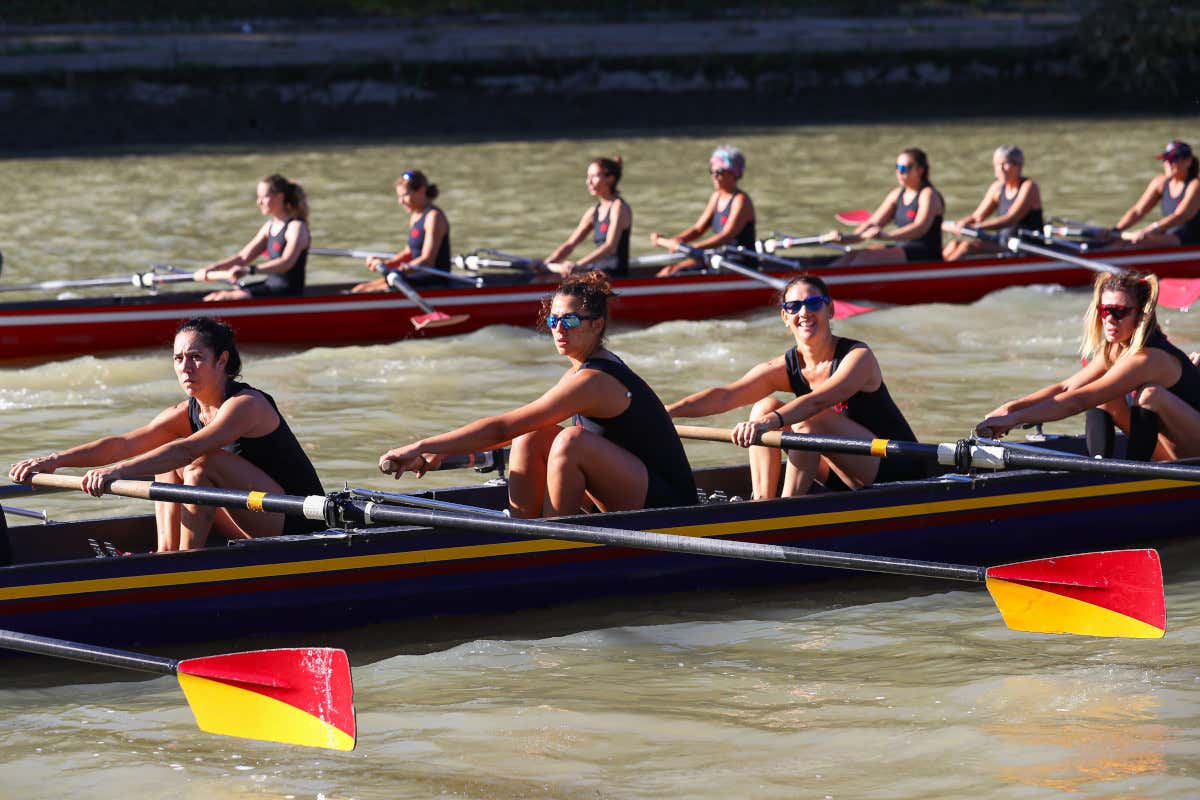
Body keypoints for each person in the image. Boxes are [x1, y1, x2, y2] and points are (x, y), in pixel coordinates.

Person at [377, 272, 697, 517]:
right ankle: (525, 535)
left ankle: (553, 544)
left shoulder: (593, 381)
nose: (559, 329)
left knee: (572, 442)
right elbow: (515, 430)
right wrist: (447, 452)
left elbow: (502, 427)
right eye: (554, 320)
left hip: (670, 507)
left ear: (598, 324)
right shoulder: (578, 373)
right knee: (531, 436)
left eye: (570, 320)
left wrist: (420, 445)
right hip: (627, 489)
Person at [8, 318, 325, 551]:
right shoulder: (187, 411)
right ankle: (166, 553)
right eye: (178, 358)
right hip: (248, 518)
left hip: (296, 524)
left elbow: (188, 451)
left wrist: (116, 473)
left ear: (222, 360)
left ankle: (185, 563)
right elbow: (124, 443)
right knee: (167, 456)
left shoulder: (246, 404)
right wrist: (53, 461)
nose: (185, 368)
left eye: (195, 357)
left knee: (201, 463)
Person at [667, 274, 925, 498]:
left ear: (830, 310)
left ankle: (786, 511)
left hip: (895, 470)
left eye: (813, 303)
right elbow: (727, 395)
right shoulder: (787, 366)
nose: (804, 312)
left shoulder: (858, 357)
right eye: (794, 306)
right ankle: (762, 504)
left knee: (810, 422)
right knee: (762, 406)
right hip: (838, 472)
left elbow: (817, 402)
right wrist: (670, 411)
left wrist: (769, 422)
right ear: (784, 316)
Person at [976, 272, 1200, 461]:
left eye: (1119, 312)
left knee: (1150, 395)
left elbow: (1078, 401)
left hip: (1193, 453)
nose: (1110, 319)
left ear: (1141, 315)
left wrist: (1016, 419)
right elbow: (1066, 389)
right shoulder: (1114, 348)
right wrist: (1011, 409)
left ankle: (1135, 476)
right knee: (1104, 397)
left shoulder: (1150, 358)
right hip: (1168, 449)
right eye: (1105, 310)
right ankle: (1099, 469)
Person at [193, 174, 312, 301]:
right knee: (214, 297)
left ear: (280, 197)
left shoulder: (296, 227)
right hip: (271, 285)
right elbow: (243, 257)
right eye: (258, 197)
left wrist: (249, 270)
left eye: (263, 197)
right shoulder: (269, 227)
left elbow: (286, 262)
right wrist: (213, 268)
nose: (259, 202)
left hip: (287, 293)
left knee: (222, 299)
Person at [650, 144, 757, 277]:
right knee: (669, 270)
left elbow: (725, 236)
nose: (714, 176)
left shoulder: (741, 200)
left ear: (733, 173)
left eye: (719, 172)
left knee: (673, 273)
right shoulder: (716, 196)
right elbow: (698, 229)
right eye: (711, 172)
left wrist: (694, 248)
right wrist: (679, 239)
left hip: (740, 262)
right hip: (719, 257)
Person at [827, 148, 945, 266]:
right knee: (852, 255)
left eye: (904, 169)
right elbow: (872, 223)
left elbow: (920, 227)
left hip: (925, 255)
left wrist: (886, 236)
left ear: (920, 170)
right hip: (901, 249)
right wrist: (846, 239)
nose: (899, 172)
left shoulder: (928, 194)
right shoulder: (897, 194)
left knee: (865, 258)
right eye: (897, 167)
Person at [352, 170, 451, 293]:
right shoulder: (415, 215)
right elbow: (408, 253)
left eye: (405, 195)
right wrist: (385, 264)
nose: (401, 201)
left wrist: (399, 271)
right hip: (415, 274)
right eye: (399, 197)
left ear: (421, 190)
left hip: (433, 279)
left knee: (365, 292)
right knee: (359, 289)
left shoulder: (434, 217)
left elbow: (427, 260)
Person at [943, 145, 1044, 260]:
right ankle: (933, 271)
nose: (1000, 169)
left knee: (967, 247)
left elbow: (1011, 218)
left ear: (1019, 166)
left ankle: (939, 275)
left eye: (1006, 164)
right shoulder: (997, 187)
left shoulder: (1029, 187)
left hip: (1026, 247)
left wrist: (977, 227)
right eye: (997, 164)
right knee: (954, 244)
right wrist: (962, 223)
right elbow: (977, 216)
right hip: (1004, 242)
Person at [542, 156, 633, 276]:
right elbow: (570, 244)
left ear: (610, 179)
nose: (588, 182)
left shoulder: (619, 207)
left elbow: (610, 247)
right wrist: (548, 262)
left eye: (593, 177)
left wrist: (578, 265)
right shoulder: (593, 212)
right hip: (596, 272)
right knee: (542, 278)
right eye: (587, 177)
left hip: (613, 275)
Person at [1111, 140, 1200, 249]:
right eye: (1166, 159)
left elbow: (1180, 216)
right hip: (1170, 235)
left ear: (1188, 161)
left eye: (1174, 159)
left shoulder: (1195, 185)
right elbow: (1138, 211)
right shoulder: (1160, 183)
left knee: (1132, 244)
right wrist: (1116, 231)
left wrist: (1147, 231)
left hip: (1191, 240)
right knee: (1115, 242)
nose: (1168, 164)